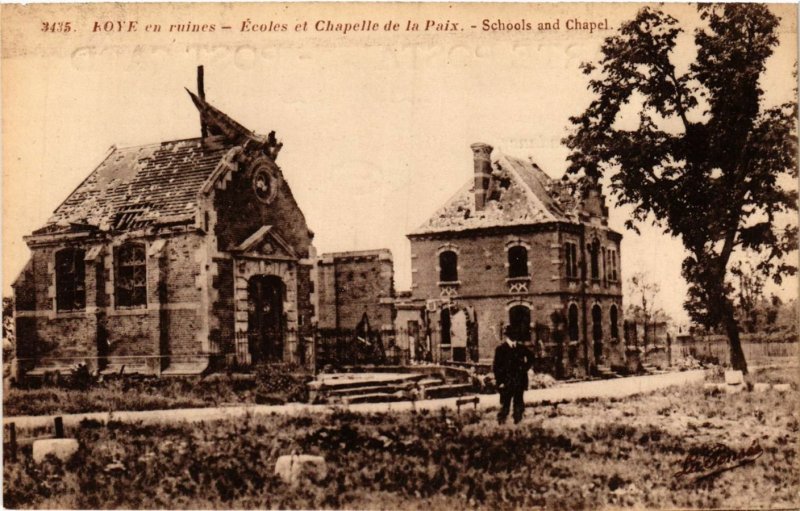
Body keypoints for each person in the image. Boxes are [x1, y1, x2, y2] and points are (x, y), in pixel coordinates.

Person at [493, 325, 534, 424]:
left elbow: (531, 357)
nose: (514, 336)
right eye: (512, 334)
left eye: (515, 334)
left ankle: (518, 424)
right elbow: (496, 367)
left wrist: (525, 367)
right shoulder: (501, 349)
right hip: (507, 382)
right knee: (505, 405)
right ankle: (501, 425)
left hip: (519, 381)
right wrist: (500, 381)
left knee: (519, 405)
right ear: (507, 336)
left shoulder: (521, 347)